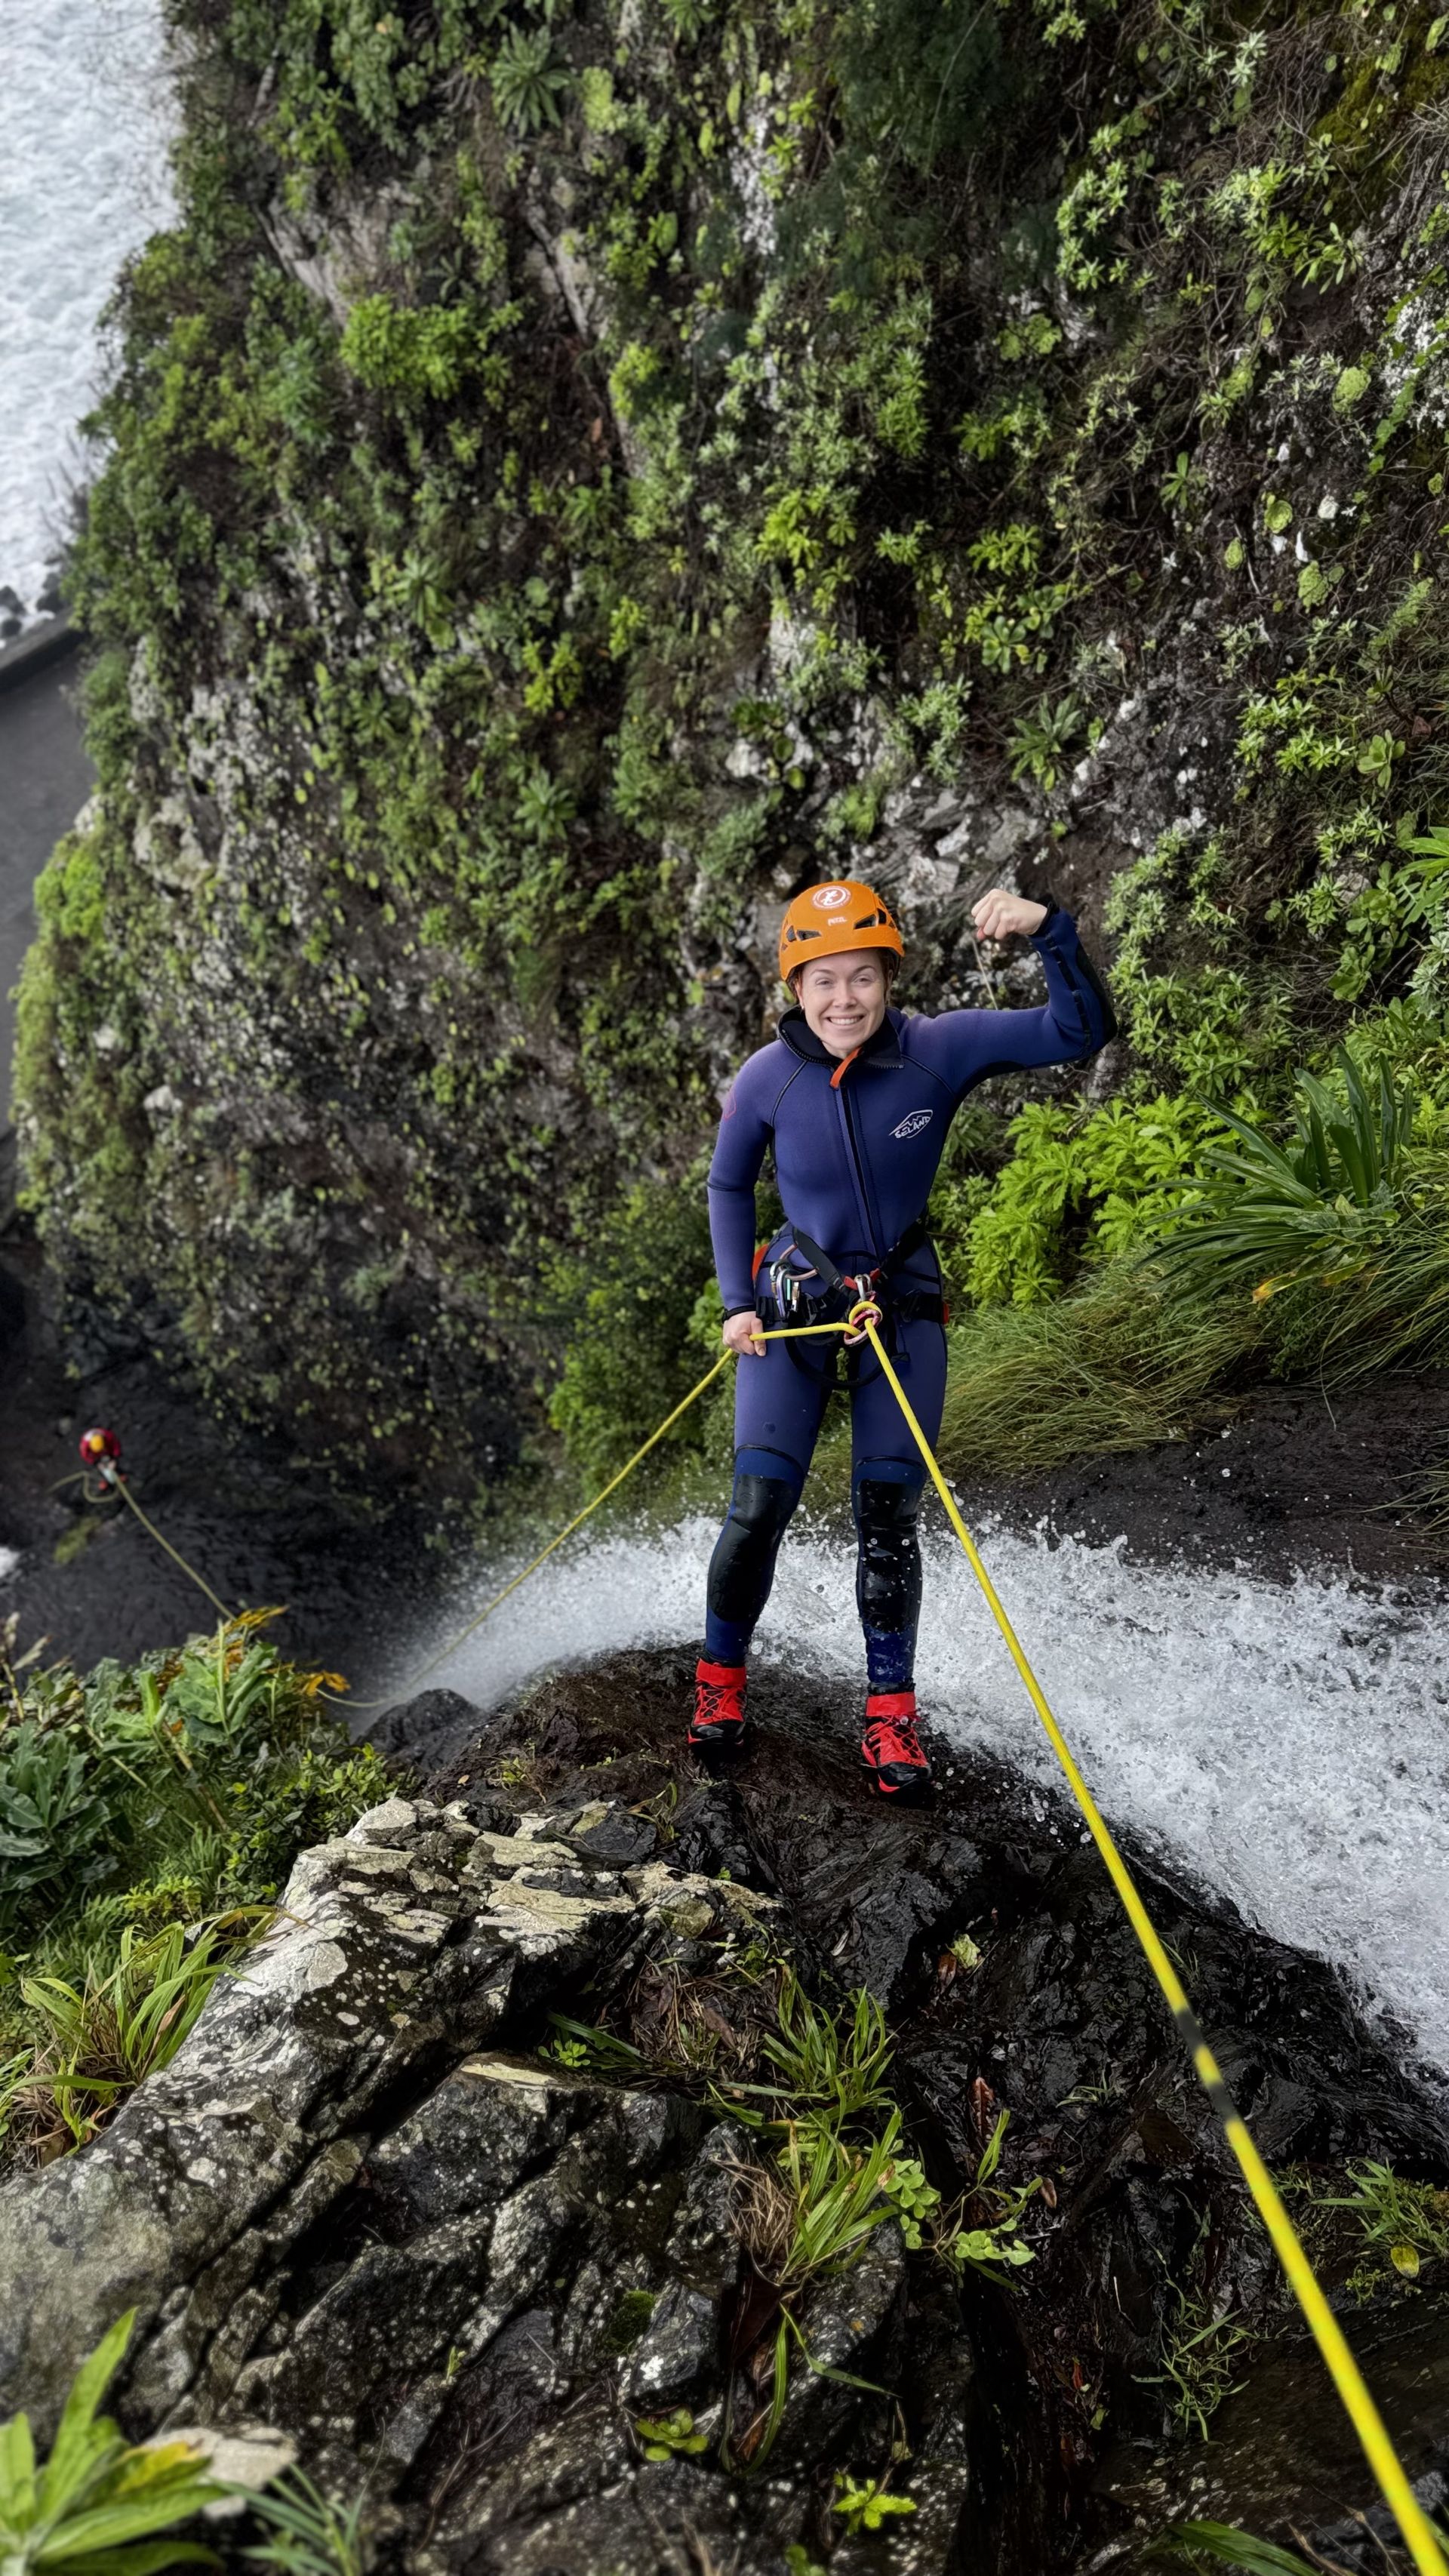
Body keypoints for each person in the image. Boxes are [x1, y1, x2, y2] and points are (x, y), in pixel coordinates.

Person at [691, 875, 1115, 1796]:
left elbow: (1078, 1031)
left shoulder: (937, 1049)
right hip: (794, 1303)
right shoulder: (768, 1077)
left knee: (886, 1520)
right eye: (823, 979)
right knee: (758, 1509)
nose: (844, 999)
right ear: (794, 988)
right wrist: (737, 1300)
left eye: (862, 978)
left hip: (901, 1303)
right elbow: (729, 1185)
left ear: (889, 977)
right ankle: (718, 1680)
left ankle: (890, 1718)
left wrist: (1051, 930)